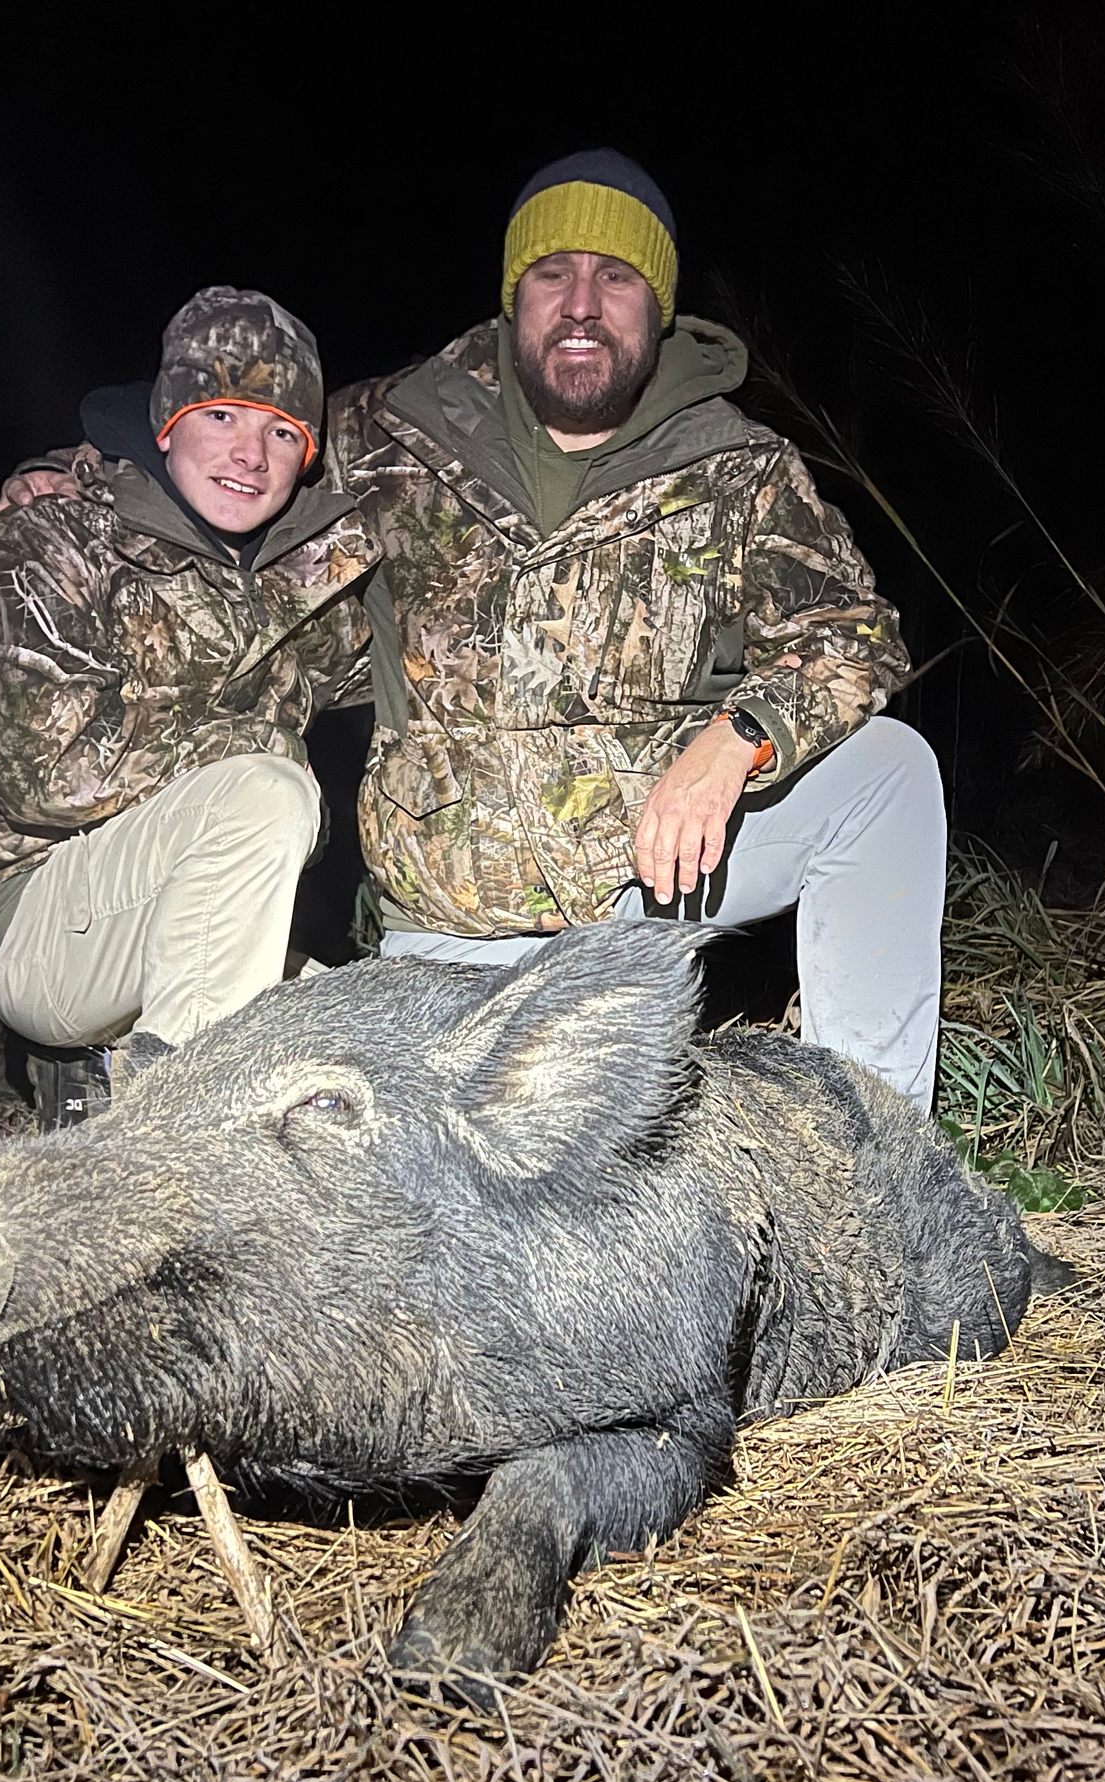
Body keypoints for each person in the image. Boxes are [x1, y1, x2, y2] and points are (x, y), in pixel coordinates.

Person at [328, 150, 946, 1107]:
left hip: (645, 883)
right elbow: (228, 465)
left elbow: (856, 634)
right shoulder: (387, 436)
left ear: (655, 308)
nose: (582, 303)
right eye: (551, 274)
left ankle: (877, 1157)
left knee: (891, 773)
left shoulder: (737, 466)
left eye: (616, 278)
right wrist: (66, 489)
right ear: (512, 300)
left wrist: (742, 738)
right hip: (449, 919)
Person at [0, 286, 374, 1125]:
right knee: (268, 794)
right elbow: (42, 772)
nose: (250, 455)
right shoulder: (48, 536)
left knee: (359, 1042)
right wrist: (266, 745)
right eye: (222, 417)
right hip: (32, 914)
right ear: (167, 420)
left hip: (176, 894)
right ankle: (170, 1160)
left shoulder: (295, 570)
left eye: (282, 433)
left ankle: (102, 1081)